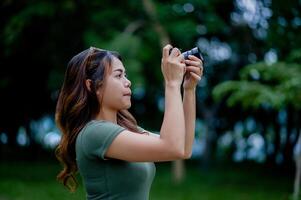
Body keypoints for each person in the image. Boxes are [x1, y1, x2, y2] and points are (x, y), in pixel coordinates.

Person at [55, 44, 203, 200]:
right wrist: (172, 83)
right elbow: (171, 147)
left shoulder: (123, 129)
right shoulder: (94, 133)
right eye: (118, 76)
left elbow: (183, 149)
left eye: (125, 75)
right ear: (91, 86)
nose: (128, 82)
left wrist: (188, 89)